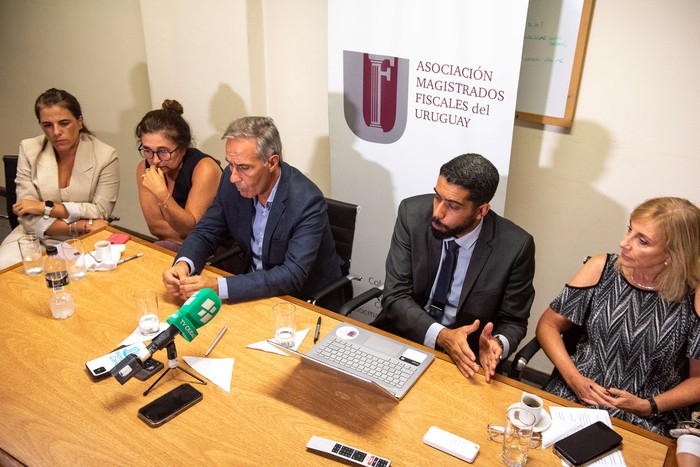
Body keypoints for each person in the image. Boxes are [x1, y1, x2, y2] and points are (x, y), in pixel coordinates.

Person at [537, 197, 700, 437]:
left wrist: (648, 406)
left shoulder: (693, 296)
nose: (624, 243)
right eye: (630, 229)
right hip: (578, 394)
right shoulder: (601, 268)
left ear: (672, 254)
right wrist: (573, 379)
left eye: (642, 241)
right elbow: (548, 325)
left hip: (647, 414)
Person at [372, 153, 536, 382]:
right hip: (403, 333)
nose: (438, 212)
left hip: (464, 356)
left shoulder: (515, 246)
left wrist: (498, 343)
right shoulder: (412, 214)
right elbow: (395, 295)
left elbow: (514, 321)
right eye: (437, 197)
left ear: (481, 211)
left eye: (453, 206)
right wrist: (441, 335)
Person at [162, 116, 344, 309]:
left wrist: (219, 286)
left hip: (303, 301)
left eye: (244, 167)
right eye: (230, 164)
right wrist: (183, 265)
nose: (233, 177)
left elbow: (292, 275)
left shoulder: (306, 201)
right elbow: (206, 231)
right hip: (253, 291)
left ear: (272, 162)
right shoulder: (230, 181)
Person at [0, 88, 119, 270]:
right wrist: (83, 224)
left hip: (82, 239)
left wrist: (46, 207)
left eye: (64, 123)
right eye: (47, 125)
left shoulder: (105, 156)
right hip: (34, 236)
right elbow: (28, 218)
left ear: (80, 121)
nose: (56, 132)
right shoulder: (29, 148)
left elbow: (101, 212)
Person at [135, 99, 222, 251]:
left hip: (217, 250)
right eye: (147, 150)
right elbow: (155, 228)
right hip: (177, 245)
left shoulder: (204, 168)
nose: (155, 160)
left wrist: (162, 194)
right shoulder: (144, 167)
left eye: (163, 151)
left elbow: (189, 230)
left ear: (182, 148)